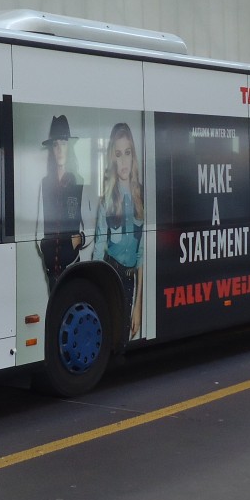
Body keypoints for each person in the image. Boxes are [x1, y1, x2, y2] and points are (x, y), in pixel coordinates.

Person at [92, 123, 144, 339]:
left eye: (127, 153)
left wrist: (138, 305)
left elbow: (142, 257)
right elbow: (97, 251)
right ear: (113, 159)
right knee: (111, 338)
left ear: (133, 156)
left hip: (131, 281)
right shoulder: (107, 200)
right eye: (118, 154)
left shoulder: (143, 197)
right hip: (110, 276)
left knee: (123, 339)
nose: (123, 161)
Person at [36, 115, 85, 292]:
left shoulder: (79, 182)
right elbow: (38, 226)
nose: (59, 150)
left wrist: (78, 240)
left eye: (63, 144)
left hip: (71, 265)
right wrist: (45, 248)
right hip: (51, 269)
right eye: (56, 145)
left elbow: (89, 223)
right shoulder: (44, 183)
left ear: (69, 147)